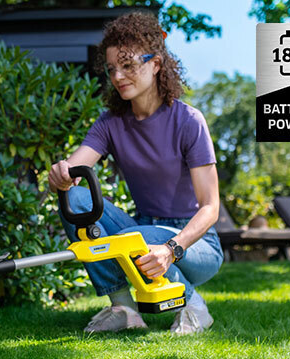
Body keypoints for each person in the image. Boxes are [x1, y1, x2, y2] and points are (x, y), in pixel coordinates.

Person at [48, 12, 223, 335]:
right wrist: (61, 174)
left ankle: (195, 306)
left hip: (197, 243)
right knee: (74, 198)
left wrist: (171, 249)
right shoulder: (110, 123)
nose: (118, 76)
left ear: (155, 64)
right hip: (144, 228)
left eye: (128, 66)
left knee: (139, 238)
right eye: (112, 68)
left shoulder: (188, 121)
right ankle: (124, 309)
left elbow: (211, 207)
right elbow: (75, 169)